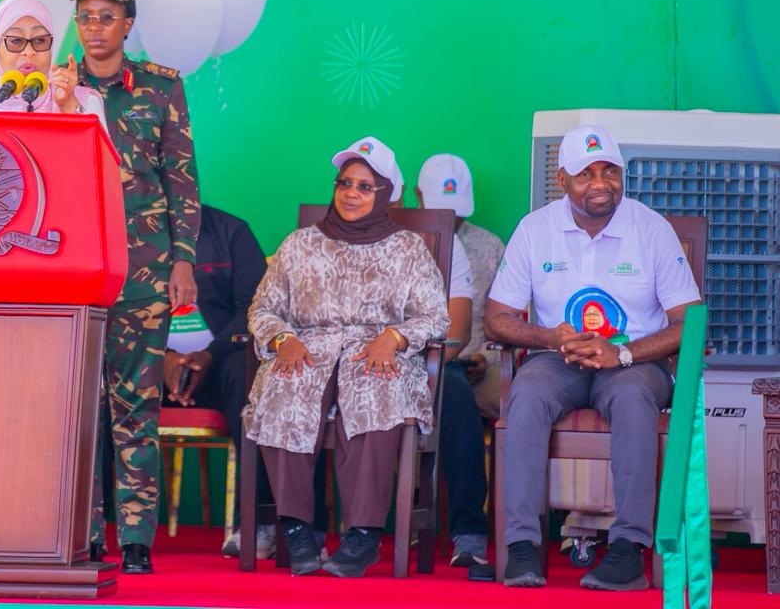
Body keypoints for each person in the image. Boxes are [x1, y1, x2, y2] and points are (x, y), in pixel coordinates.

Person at [485, 125, 701, 590]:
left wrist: (621, 352)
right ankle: (523, 546)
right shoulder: (534, 230)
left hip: (632, 362)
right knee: (526, 392)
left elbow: (690, 323)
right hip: (557, 358)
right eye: (586, 174)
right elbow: (496, 319)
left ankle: (628, 549)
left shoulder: (651, 229)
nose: (601, 184)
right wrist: (547, 337)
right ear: (561, 179)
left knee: (633, 398)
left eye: (610, 172)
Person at [243, 144, 449, 578]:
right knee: (284, 386)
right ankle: (296, 530)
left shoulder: (407, 249)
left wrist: (394, 337)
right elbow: (263, 308)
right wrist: (282, 338)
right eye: (344, 183)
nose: (351, 193)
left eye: (365, 186)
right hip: (308, 348)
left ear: (386, 193)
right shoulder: (300, 244)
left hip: (377, 352)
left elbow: (435, 316)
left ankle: (363, 536)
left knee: (376, 390)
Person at [70, 0, 200, 574]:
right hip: (70, 272)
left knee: (135, 406)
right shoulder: (54, 88)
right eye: (85, 16)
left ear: (128, 22)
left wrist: (184, 261)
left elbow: (181, 183)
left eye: (107, 16)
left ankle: (137, 537)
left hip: (143, 272)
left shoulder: (160, 87)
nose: (94, 27)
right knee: (77, 411)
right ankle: (83, 531)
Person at [157, 205, 270, 558]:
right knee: (100, 373)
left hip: (220, 363)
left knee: (248, 373)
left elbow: (253, 308)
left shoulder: (231, 231)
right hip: (151, 364)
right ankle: (92, 525)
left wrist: (209, 355)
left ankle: (256, 523)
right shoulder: (127, 233)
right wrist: (163, 358)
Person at [416, 153, 506, 568]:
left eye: (458, 213)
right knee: (451, 398)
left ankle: (504, 527)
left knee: (518, 402)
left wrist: (484, 356)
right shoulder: (403, 241)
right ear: (418, 196)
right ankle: (412, 519)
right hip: (421, 361)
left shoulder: (490, 247)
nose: (449, 220)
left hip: (483, 362)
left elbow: (506, 317)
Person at [0, 0, 104, 120]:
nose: (29, 51)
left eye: (40, 40)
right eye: (16, 41)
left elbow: (100, 156)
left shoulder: (84, 101)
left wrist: (69, 107)